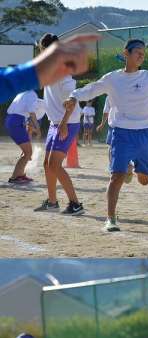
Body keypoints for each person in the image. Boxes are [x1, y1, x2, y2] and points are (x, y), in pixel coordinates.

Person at [65, 39, 148, 232]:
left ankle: (131, 169)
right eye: (138, 52)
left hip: (145, 132)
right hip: (121, 132)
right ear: (126, 53)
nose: (141, 56)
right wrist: (73, 97)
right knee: (116, 176)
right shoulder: (113, 78)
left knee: (144, 180)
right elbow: (92, 89)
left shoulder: (147, 77)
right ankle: (110, 219)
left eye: (143, 53)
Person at [34, 33, 85, 216]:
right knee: (47, 164)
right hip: (55, 122)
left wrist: (63, 124)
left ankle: (75, 204)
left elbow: (71, 102)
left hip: (67, 122)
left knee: (54, 164)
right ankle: (52, 202)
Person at [0, 34, 98, 104]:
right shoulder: (51, 74)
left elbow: (69, 101)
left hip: (63, 122)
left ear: (44, 50)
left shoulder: (62, 75)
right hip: (57, 122)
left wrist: (64, 122)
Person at [5, 91, 41, 184]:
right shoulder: (32, 94)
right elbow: (32, 114)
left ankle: (19, 174)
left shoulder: (23, 92)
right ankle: (15, 177)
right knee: (28, 153)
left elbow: (28, 120)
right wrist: (38, 129)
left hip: (13, 120)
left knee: (27, 152)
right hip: (16, 122)